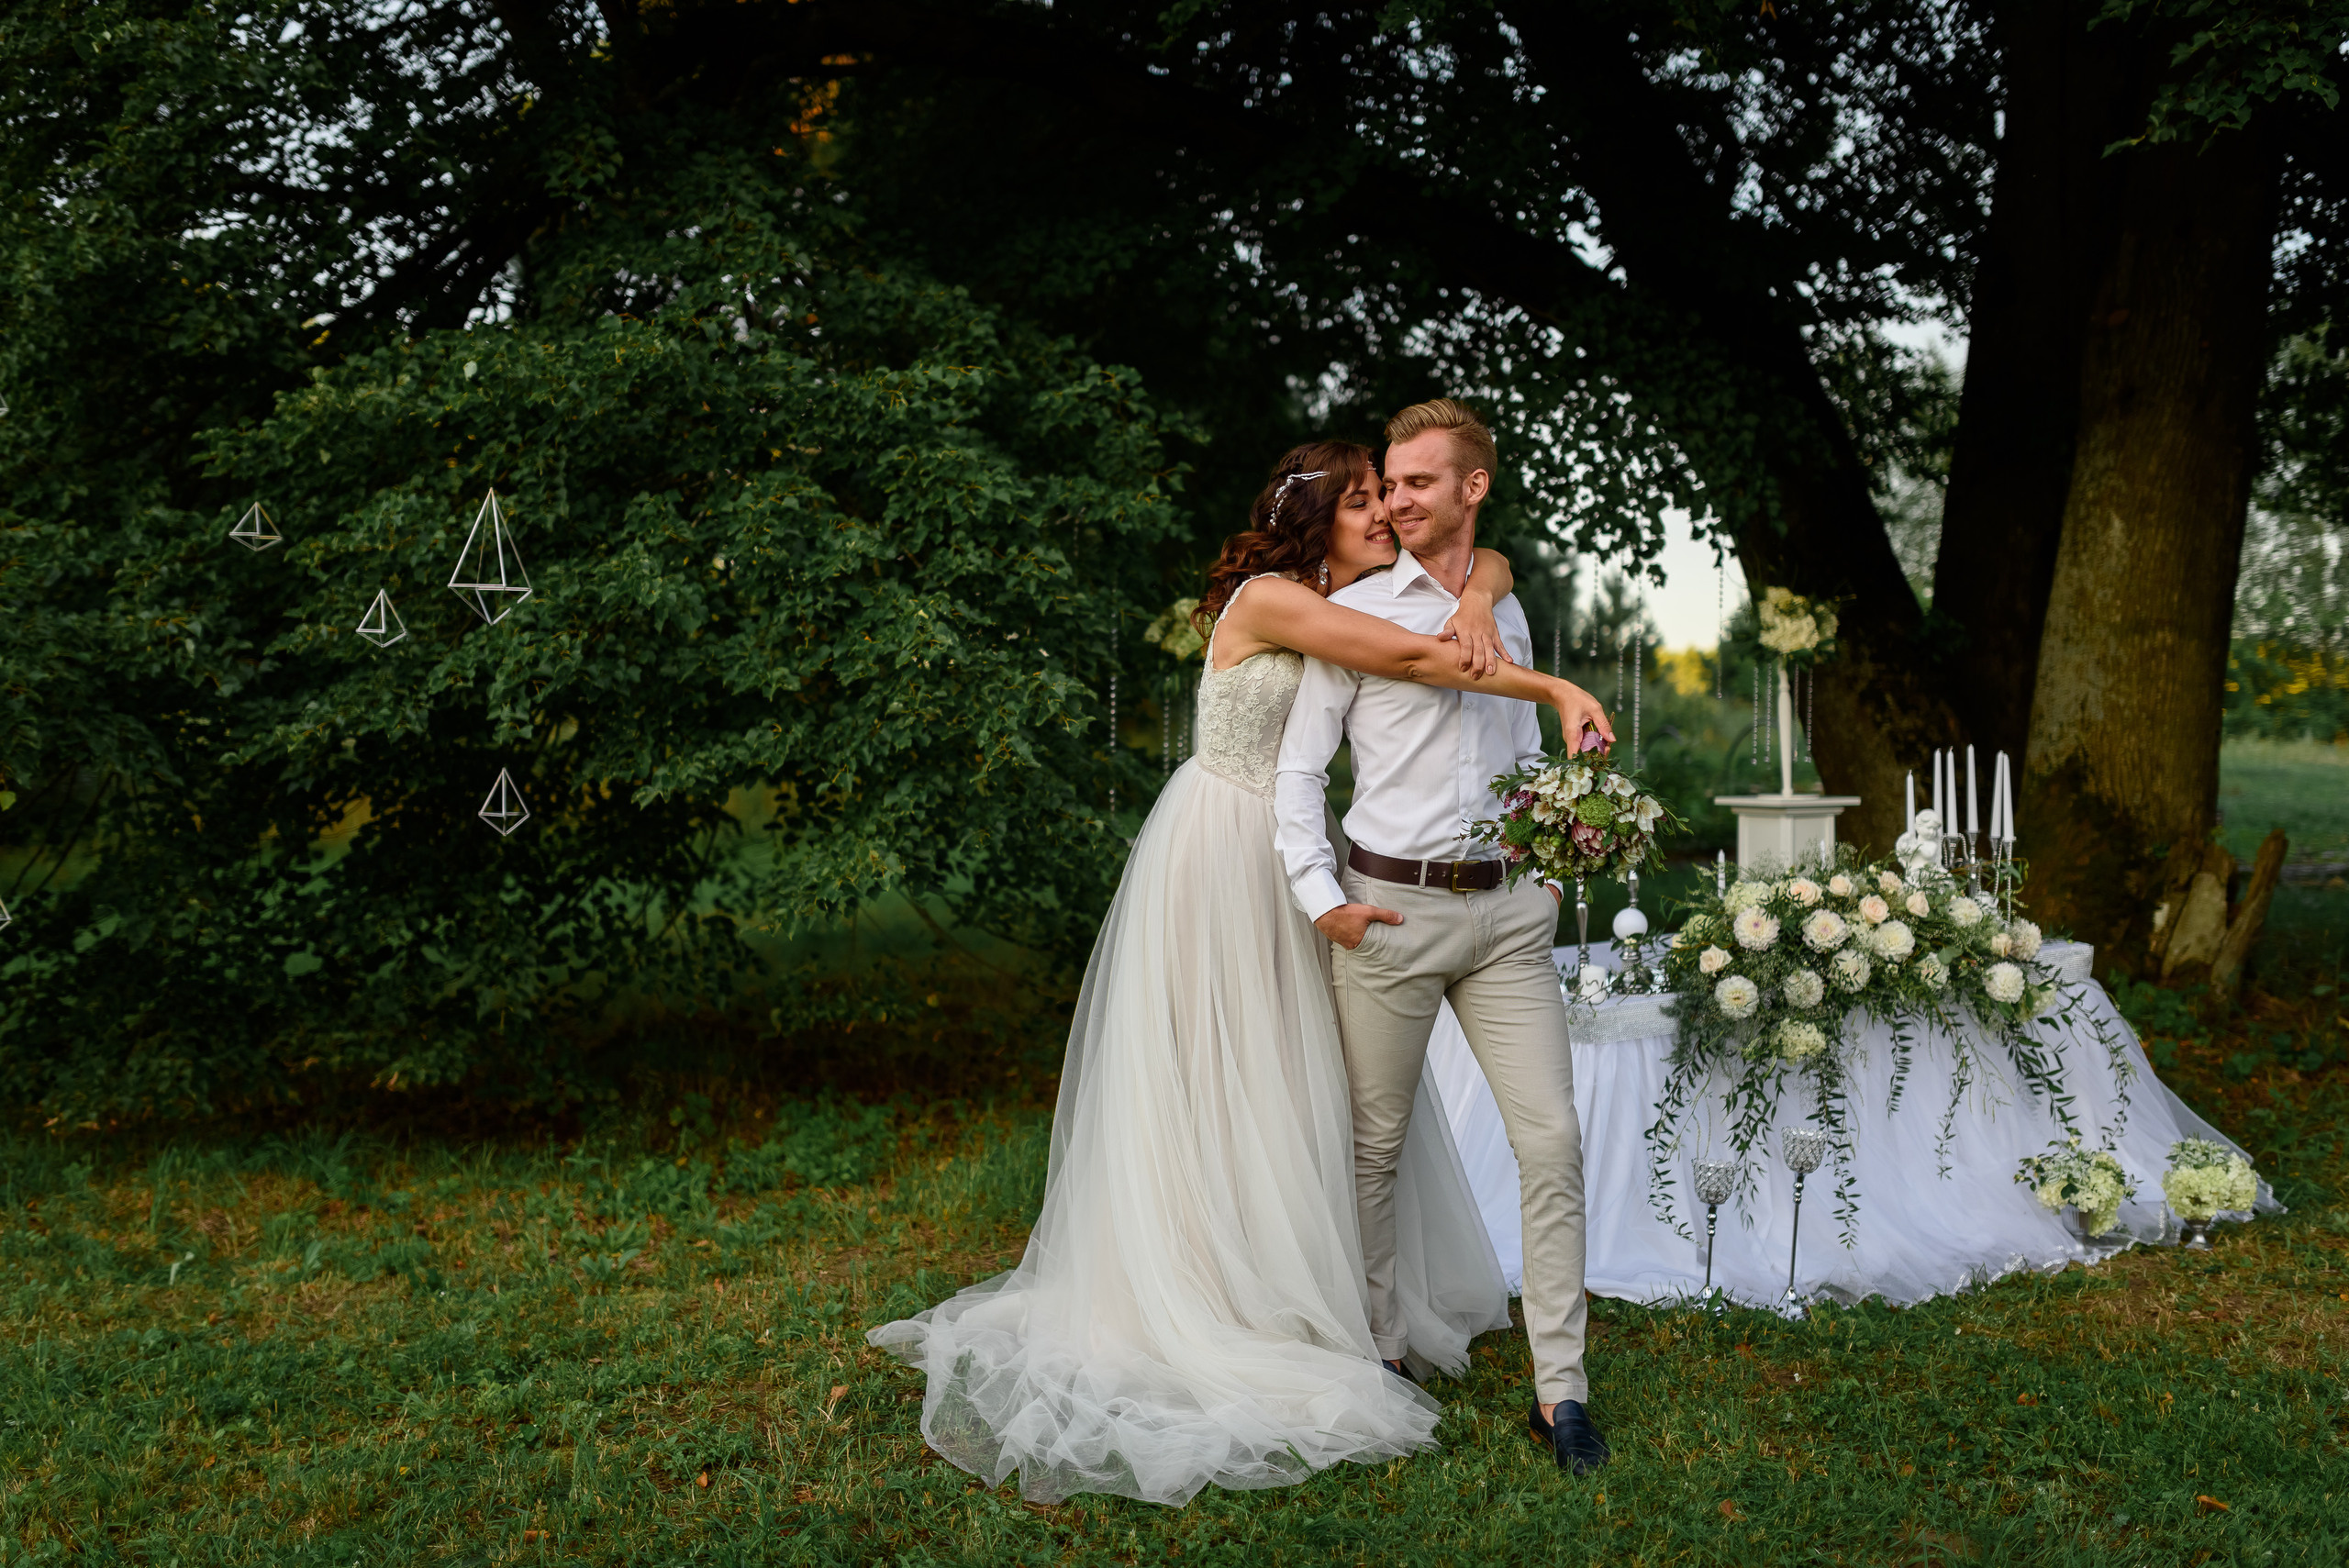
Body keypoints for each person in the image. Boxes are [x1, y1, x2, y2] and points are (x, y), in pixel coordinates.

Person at [868, 439, 1610, 1506]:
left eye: (1388, 495)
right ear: (1315, 518)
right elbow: (1407, 660)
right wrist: (1553, 683)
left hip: (1305, 850)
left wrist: (1487, 583)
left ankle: (1306, 1293)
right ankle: (1225, 1294)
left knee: (1300, 1081)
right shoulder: (1273, 596)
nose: (1382, 515)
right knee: (1233, 1071)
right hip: (1230, 844)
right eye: (1361, 500)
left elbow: (1468, 581)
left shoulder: (1359, 590)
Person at [1275, 398, 1610, 1475]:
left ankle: (1560, 1388)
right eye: (1389, 482)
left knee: (1550, 1141)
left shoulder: (1502, 602)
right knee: (1372, 1146)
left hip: (1510, 916)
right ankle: (1379, 1357)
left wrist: (1555, 855)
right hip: (1389, 912)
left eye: (1419, 481)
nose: (1396, 498)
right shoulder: (1356, 612)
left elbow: (1520, 743)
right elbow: (1297, 770)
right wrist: (1320, 893)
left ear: (1472, 489)